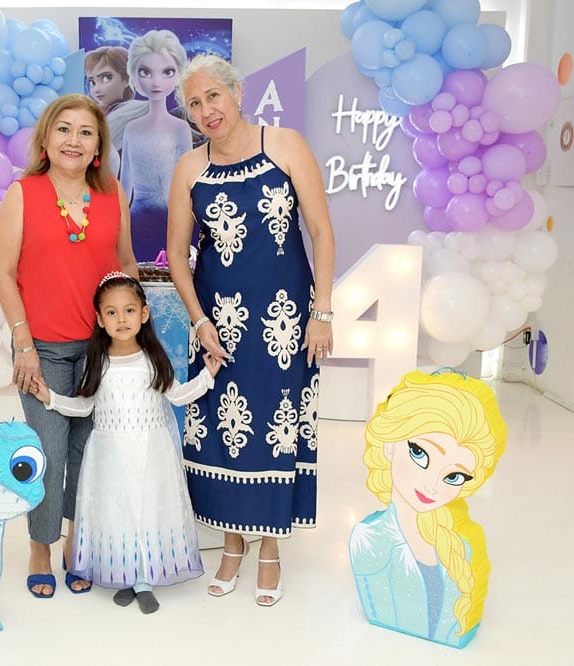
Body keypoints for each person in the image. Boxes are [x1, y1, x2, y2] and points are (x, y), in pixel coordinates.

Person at [167, 54, 336, 606]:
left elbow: (321, 232)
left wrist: (322, 311)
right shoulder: (189, 167)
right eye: (194, 104)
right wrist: (198, 320)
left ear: (238, 93)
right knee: (224, 430)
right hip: (218, 324)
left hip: (284, 321)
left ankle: (270, 548)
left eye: (213, 96)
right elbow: (176, 255)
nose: (206, 111)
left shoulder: (285, 145)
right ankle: (232, 543)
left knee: (275, 427)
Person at [0, 93, 138, 600]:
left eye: (86, 132)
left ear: (99, 146)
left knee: (88, 454)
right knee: (48, 452)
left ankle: (78, 540)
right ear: (46, 139)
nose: (73, 140)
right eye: (64, 129)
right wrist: (23, 344)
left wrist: (126, 337)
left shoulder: (112, 194)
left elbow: (126, 266)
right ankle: (41, 545)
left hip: (100, 350)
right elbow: (4, 275)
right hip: (43, 349)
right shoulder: (23, 193)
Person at [29, 273, 222, 613]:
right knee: (117, 511)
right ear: (100, 319)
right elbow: (85, 406)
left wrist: (208, 376)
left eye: (129, 310)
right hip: (110, 454)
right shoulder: (98, 361)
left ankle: (144, 579)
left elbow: (177, 395)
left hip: (150, 451)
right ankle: (125, 574)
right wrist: (51, 399)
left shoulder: (152, 358)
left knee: (147, 509)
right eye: (112, 312)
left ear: (144, 314)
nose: (122, 319)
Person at [349, 370, 507, 648]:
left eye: (454, 476)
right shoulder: (369, 540)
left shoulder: (462, 548)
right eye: (419, 453)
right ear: (390, 445)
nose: (432, 486)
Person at [117, 29, 193, 261]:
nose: (156, 81)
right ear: (134, 75)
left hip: (174, 222)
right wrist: (119, 225)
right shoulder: (131, 128)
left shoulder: (180, 128)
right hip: (137, 223)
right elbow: (125, 184)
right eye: (146, 72)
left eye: (167, 72)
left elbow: (188, 182)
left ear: (178, 74)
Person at [85, 46, 134, 115]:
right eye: (92, 83)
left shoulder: (131, 113)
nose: (96, 89)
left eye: (106, 78)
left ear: (127, 79)